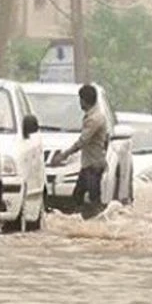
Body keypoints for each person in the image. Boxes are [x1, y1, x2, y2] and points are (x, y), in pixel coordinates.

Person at [51, 84, 108, 219]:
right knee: (79, 196)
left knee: (91, 199)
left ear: (84, 100)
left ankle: (96, 224)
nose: (79, 103)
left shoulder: (94, 119)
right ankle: (84, 222)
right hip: (90, 164)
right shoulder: (94, 115)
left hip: (93, 166)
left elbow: (82, 141)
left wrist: (64, 155)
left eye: (80, 100)